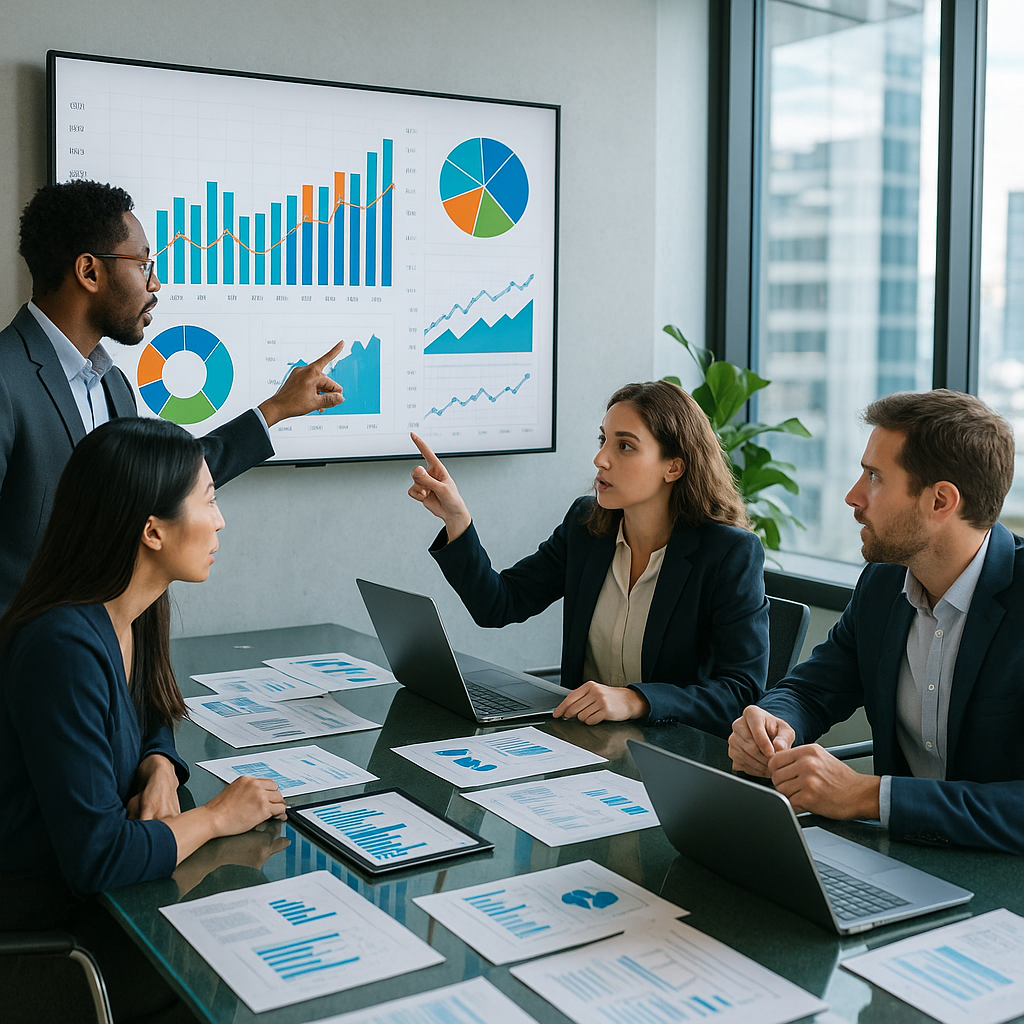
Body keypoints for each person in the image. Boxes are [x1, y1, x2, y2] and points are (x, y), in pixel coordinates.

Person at [0, 416, 288, 1020]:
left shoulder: (131, 609)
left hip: (96, 908)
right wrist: (213, 817)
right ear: (152, 530)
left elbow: (151, 707)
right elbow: (99, 858)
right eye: (208, 499)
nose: (220, 519)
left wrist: (159, 765)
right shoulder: (62, 647)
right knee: (241, 970)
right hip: (54, 939)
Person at [0, 179, 345, 611]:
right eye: (143, 264)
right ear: (89, 272)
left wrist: (274, 410)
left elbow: (163, 482)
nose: (156, 283)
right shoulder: (5, 377)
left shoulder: (112, 384)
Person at [728, 389, 1024, 854]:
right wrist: (775, 722)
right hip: (899, 858)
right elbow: (812, 688)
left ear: (941, 501)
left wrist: (868, 794)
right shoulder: (884, 584)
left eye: (874, 477)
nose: (853, 495)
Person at [408, 380, 769, 736]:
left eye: (624, 446)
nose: (600, 459)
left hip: (672, 757)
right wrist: (457, 520)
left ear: (673, 467)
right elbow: (499, 604)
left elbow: (741, 693)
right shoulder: (586, 527)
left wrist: (637, 700)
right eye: (603, 440)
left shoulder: (728, 553)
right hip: (581, 744)